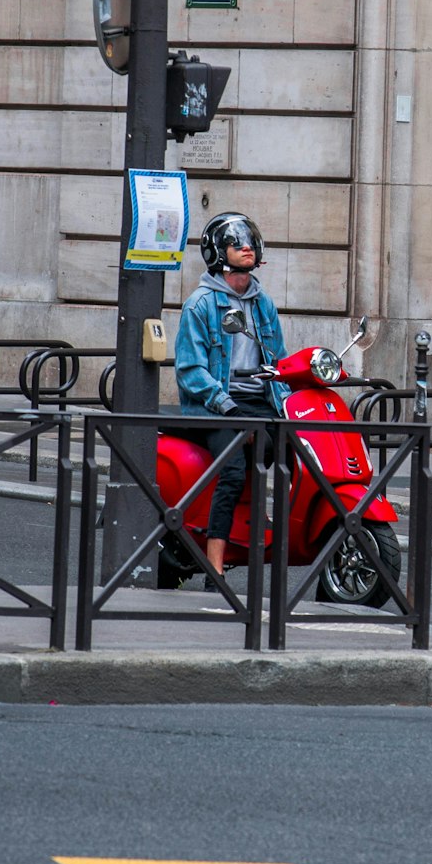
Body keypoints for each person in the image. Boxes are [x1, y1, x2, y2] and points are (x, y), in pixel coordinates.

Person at [174, 212, 286, 588]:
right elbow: (191, 371)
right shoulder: (200, 304)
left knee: (299, 452)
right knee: (234, 468)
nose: (247, 247)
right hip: (214, 405)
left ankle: (268, 532)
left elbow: (279, 363)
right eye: (237, 243)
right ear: (217, 252)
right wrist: (229, 407)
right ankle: (214, 565)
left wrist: (289, 402)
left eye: (250, 241)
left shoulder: (262, 303)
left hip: (259, 402)